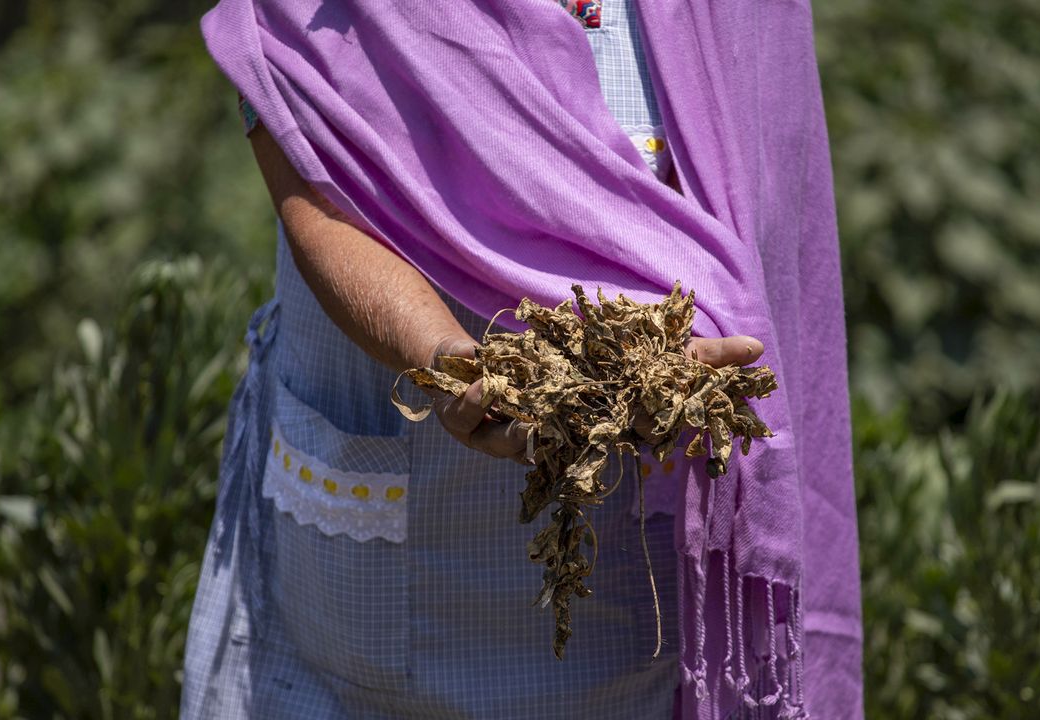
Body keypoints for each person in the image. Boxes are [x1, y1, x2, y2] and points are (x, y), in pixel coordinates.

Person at [183, 1, 863, 718]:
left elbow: (762, 179)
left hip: (634, 608)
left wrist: (674, 360)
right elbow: (308, 181)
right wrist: (444, 356)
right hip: (375, 591)